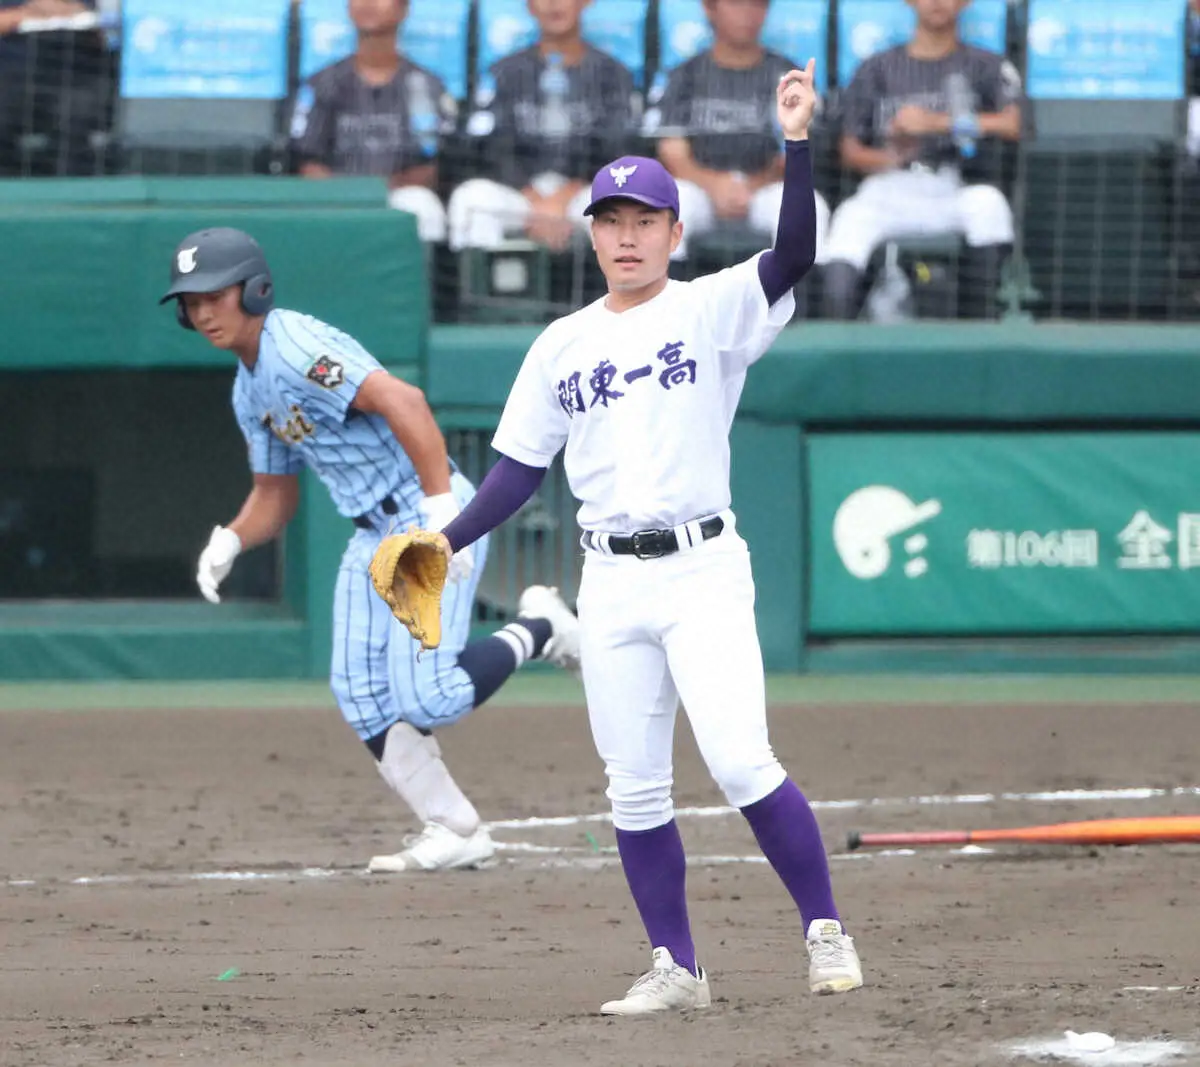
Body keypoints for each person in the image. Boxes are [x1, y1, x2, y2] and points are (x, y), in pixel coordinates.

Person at [431, 60, 863, 1013]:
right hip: (612, 582)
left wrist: (795, 142)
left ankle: (825, 927)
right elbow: (518, 469)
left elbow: (794, 253)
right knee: (633, 789)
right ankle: (678, 967)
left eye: (645, 221)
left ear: (676, 232)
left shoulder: (709, 308)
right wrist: (449, 539)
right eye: (612, 221)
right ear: (591, 234)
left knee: (741, 761)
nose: (627, 236)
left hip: (702, 568)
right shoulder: (560, 344)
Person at [158, 226, 580, 872]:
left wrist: (442, 511)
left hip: (420, 510)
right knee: (358, 690)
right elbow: (274, 494)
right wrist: (233, 537)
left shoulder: (293, 347)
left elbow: (402, 399)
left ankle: (541, 625)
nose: (203, 311)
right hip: (371, 532)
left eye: (215, 294)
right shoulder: (249, 388)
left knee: (430, 698)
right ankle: (455, 828)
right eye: (192, 302)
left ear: (254, 289)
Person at [821, 0, 1023, 321]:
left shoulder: (985, 64)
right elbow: (849, 150)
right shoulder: (876, 67)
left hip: (950, 185)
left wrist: (937, 123)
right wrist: (895, 154)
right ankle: (835, 338)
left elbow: (1015, 123)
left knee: (989, 205)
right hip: (888, 188)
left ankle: (980, 330)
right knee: (848, 220)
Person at [646, 0, 830, 261]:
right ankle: (667, 289)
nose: (747, 13)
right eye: (735, 3)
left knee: (808, 207)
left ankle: (800, 289)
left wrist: (751, 186)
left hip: (765, 187)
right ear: (709, 8)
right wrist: (714, 186)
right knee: (666, 205)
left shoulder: (790, 76)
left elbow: (798, 149)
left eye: (757, 4)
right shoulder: (684, 75)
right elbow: (671, 149)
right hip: (699, 188)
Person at [448, 0, 638, 253]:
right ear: (529, 6)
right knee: (470, 199)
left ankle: (612, 280)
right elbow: (488, 147)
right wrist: (533, 197)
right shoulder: (504, 72)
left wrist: (567, 194)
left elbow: (619, 148)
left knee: (625, 203)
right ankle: (479, 279)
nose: (553, 4)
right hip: (520, 193)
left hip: (585, 191)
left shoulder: (613, 73)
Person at [290, 0, 452, 243]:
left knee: (421, 205)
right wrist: (352, 195)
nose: (368, 3)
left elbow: (433, 164)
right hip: (335, 197)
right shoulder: (322, 83)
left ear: (403, 9)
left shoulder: (426, 85)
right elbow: (307, 160)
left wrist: (379, 191)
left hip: (401, 195)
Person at [0, 0, 107, 177]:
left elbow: (99, 26)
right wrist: (25, 13)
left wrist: (53, 11)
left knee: (77, 117)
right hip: (14, 70)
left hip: (74, 72)